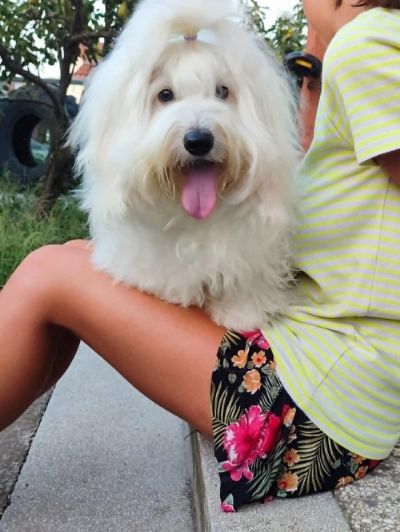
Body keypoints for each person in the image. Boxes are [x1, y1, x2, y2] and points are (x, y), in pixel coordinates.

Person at [1, 0, 399, 513]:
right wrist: (316, 63)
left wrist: (338, 42)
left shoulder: (367, 46)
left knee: (48, 274)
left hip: (317, 414)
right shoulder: (359, 51)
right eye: (166, 96)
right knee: (74, 255)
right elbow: (304, 155)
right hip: (324, 381)